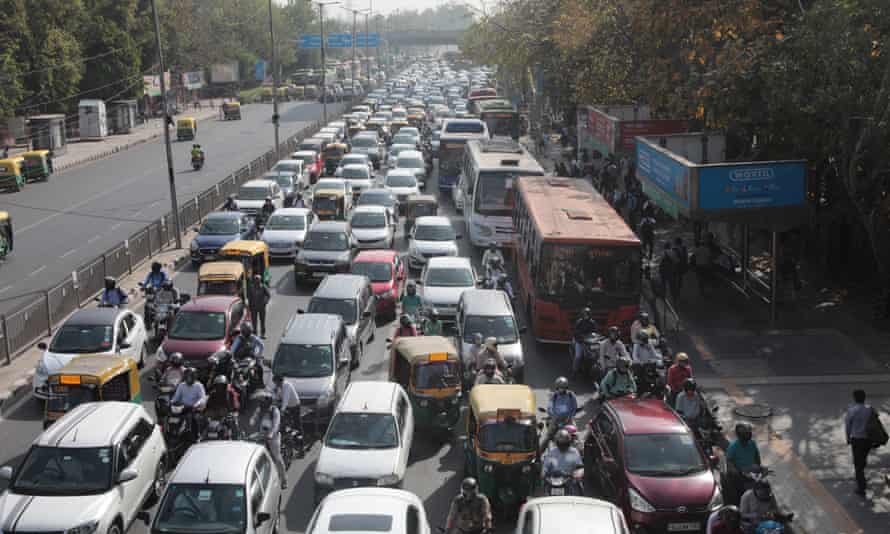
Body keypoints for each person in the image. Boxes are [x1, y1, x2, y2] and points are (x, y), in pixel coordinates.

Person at [252, 391, 287, 489]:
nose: (260, 404)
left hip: (273, 437)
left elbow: (276, 424)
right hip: (262, 434)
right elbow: (254, 418)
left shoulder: (274, 411)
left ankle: (284, 480)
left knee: (277, 457)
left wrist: (271, 434)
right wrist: (252, 421)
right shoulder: (260, 410)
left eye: (262, 402)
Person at [845, 389, 872, 496]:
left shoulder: (852, 410)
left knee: (857, 463)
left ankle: (861, 486)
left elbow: (848, 425)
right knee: (863, 460)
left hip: (856, 440)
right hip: (867, 440)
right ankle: (862, 477)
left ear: (855, 398)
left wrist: (847, 438)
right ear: (864, 398)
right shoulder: (869, 409)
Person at [171, 368, 207, 440]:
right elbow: (176, 397)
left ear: (194, 377)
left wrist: (196, 404)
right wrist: (171, 402)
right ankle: (172, 433)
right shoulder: (181, 385)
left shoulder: (199, 386)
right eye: (187, 377)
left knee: (194, 418)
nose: (188, 379)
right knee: (171, 417)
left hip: (194, 409)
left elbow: (202, 398)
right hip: (182, 408)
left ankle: (197, 435)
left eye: (190, 377)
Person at [272, 374, 304, 455]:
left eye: (276, 383)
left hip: (294, 406)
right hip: (288, 406)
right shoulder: (280, 387)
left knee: (297, 426)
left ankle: (301, 447)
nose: (275, 384)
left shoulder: (287, 386)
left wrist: (282, 410)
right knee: (285, 423)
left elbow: (285, 399)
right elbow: (278, 398)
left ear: (279, 381)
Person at [572, 308, 598, 376]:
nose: (586, 315)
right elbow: (575, 332)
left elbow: (595, 332)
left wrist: (595, 337)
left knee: (595, 355)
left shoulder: (593, 323)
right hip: (580, 342)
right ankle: (574, 372)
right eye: (584, 314)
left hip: (589, 343)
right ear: (582, 315)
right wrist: (580, 337)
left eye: (587, 314)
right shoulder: (579, 322)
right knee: (578, 356)